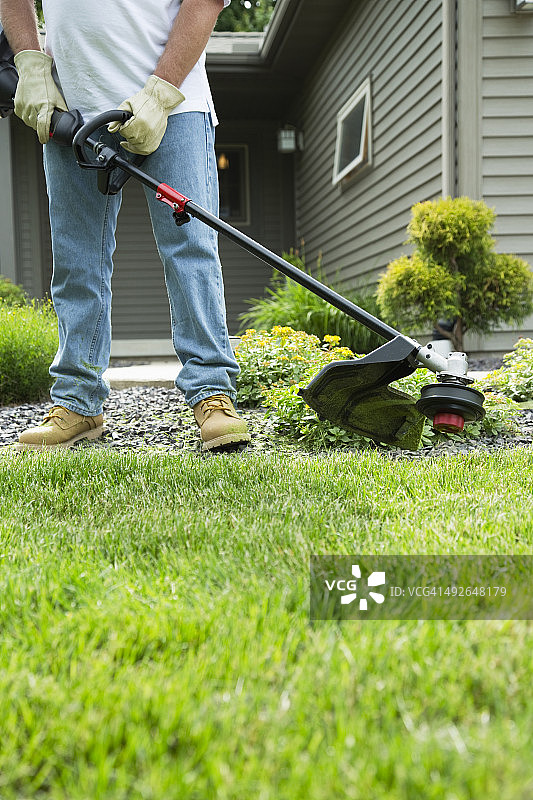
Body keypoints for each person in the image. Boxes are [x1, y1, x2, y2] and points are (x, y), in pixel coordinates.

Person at [0, 0, 251, 452]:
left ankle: (213, 392)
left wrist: (160, 94)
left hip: (174, 106)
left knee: (189, 246)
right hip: (71, 110)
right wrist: (30, 62)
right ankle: (78, 402)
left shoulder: (170, 100)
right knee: (76, 258)